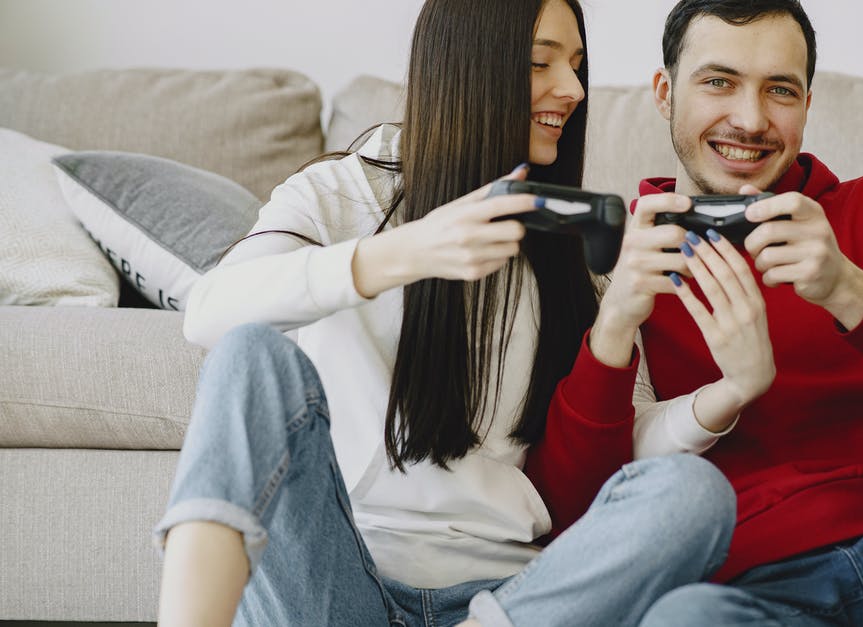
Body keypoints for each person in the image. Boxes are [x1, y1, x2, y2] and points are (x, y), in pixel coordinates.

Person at [152, 1, 735, 626]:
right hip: (337, 581)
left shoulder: (573, 245)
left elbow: (623, 436)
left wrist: (728, 394)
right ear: (467, 67)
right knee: (249, 355)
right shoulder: (343, 196)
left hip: (503, 600)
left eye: (576, 64)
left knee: (693, 494)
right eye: (541, 63)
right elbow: (209, 312)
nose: (573, 89)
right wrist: (402, 252)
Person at [533, 1, 863, 625]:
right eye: (719, 82)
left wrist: (850, 291)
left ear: (808, 103)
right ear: (664, 93)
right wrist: (614, 326)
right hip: (749, 596)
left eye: (780, 90)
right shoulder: (615, 261)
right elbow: (574, 523)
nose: (750, 119)